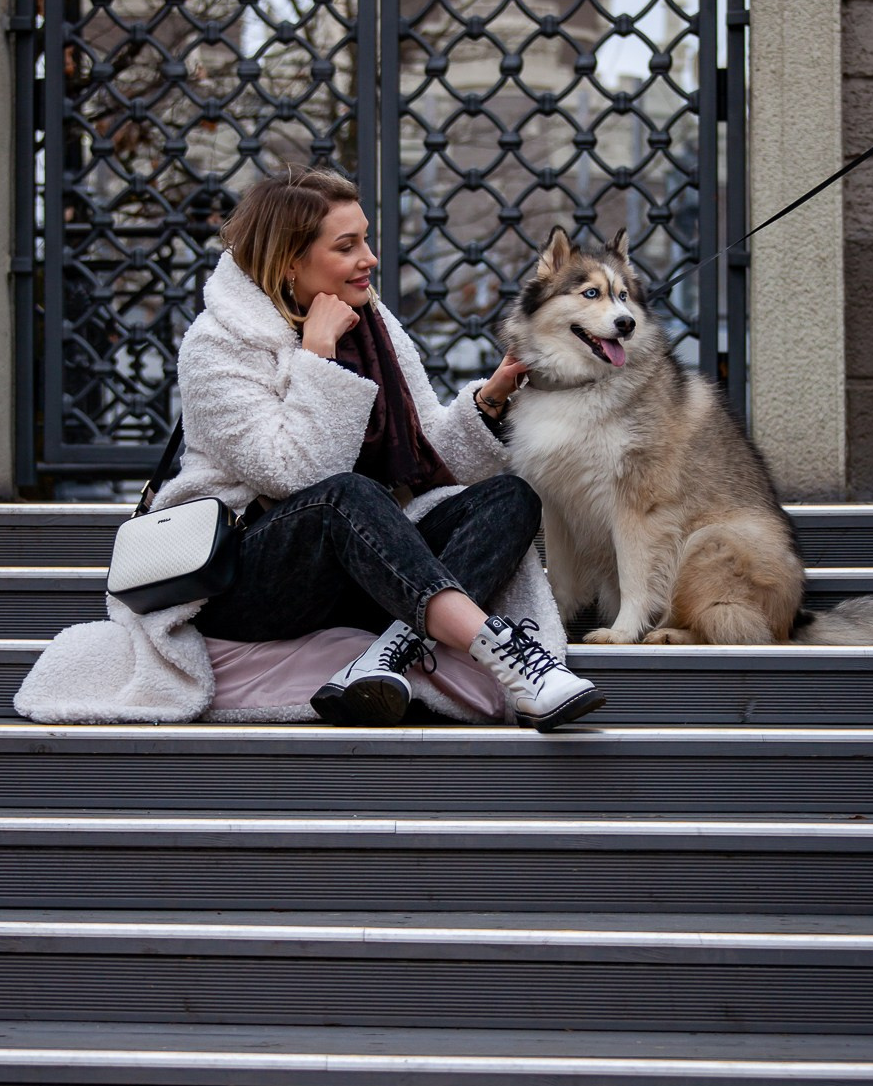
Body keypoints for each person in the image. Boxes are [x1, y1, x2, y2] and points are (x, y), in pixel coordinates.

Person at [154, 166, 606, 733]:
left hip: (368, 568)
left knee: (509, 497)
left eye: (365, 238)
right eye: (347, 246)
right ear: (289, 260)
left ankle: (385, 656)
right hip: (249, 580)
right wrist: (318, 356)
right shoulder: (216, 346)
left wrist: (491, 400)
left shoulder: (373, 326)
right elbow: (298, 475)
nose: (369, 258)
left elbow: (433, 464)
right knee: (345, 496)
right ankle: (511, 660)